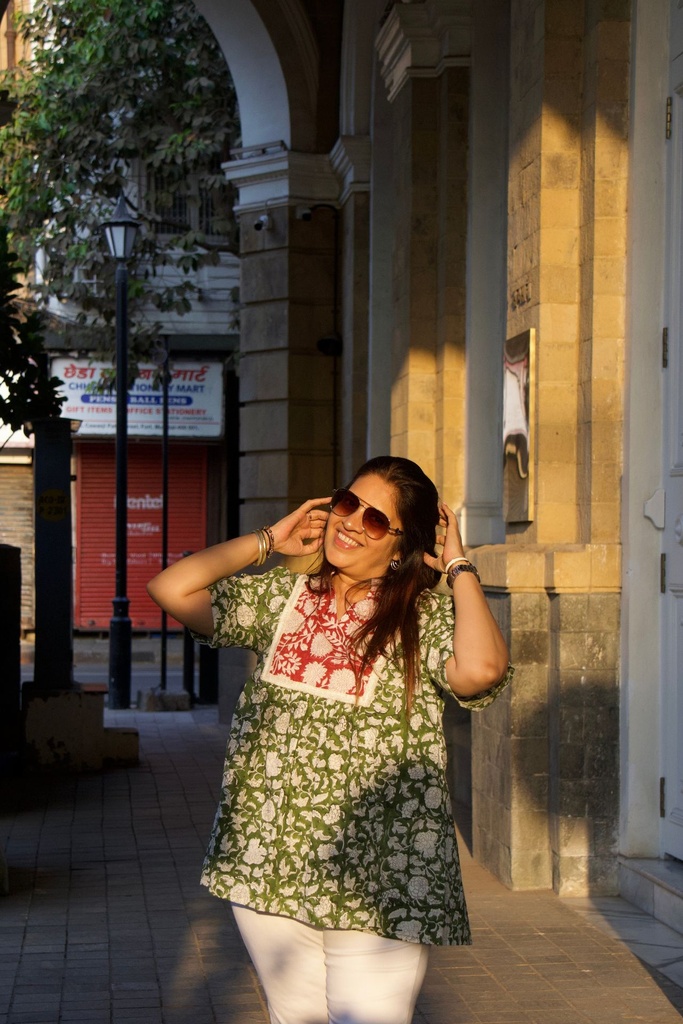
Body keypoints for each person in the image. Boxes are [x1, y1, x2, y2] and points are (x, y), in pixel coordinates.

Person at [147, 456, 511, 1024]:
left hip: (382, 873)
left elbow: (482, 670)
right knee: (294, 1017)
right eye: (347, 503)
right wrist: (270, 540)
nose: (349, 521)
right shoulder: (282, 599)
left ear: (400, 546)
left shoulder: (424, 618)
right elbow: (170, 587)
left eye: (373, 520)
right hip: (268, 861)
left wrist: (460, 565)